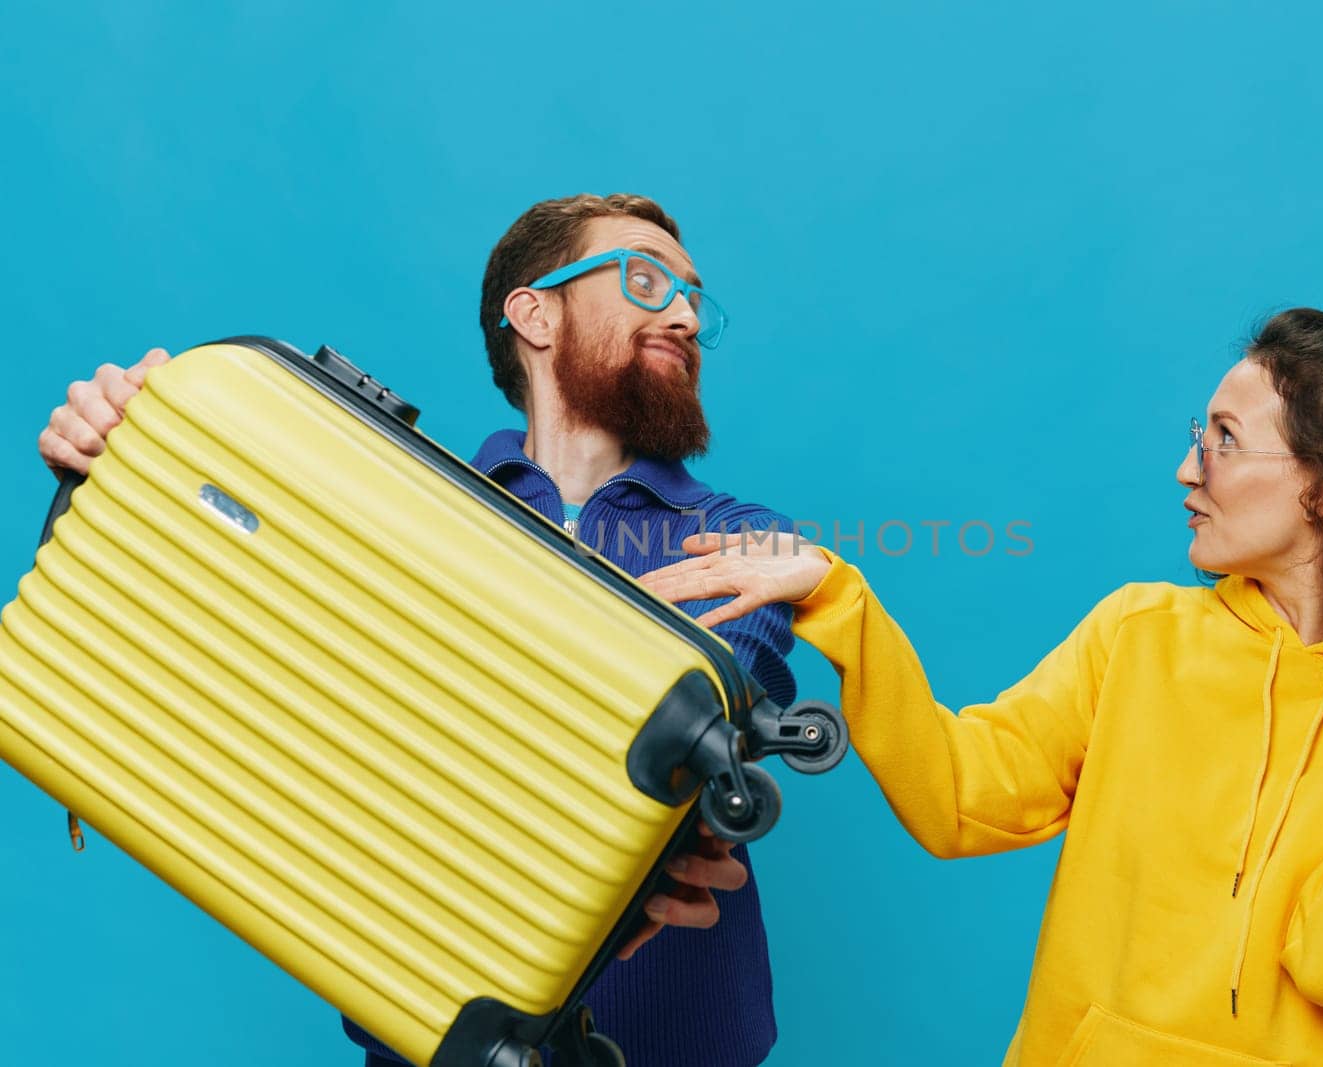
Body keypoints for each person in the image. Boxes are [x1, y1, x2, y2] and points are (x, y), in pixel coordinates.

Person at [639, 307, 1323, 1066]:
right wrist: (841, 601)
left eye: (1223, 438)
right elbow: (961, 802)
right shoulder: (1140, 634)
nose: (1188, 468)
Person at [38, 194, 798, 1067]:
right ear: (535, 312)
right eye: (646, 278)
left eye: (695, 298)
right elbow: (245, 662)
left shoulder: (750, 541)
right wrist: (120, 460)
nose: (684, 314)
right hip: (434, 1031)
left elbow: (688, 713)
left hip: (679, 1041)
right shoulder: (387, 501)